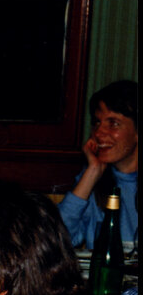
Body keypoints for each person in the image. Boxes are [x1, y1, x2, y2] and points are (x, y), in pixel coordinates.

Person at [58, 80, 138, 251]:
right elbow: (56, 241)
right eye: (97, 123)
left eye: (113, 123)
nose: (99, 132)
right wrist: (92, 172)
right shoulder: (93, 182)